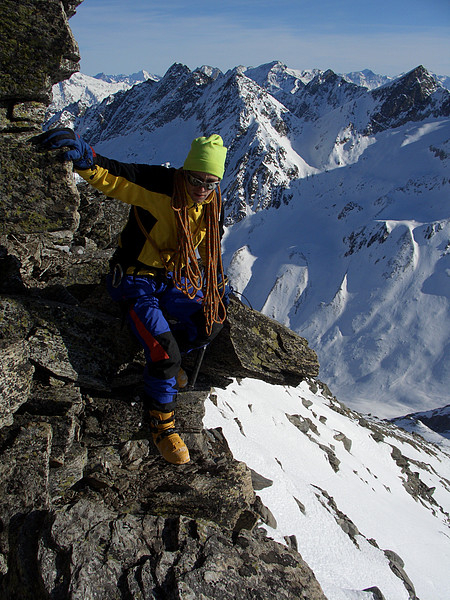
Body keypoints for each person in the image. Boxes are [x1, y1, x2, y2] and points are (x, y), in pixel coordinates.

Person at [35, 128, 230, 465]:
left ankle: (170, 366)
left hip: (173, 278)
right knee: (163, 353)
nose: (202, 189)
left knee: (209, 320)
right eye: (197, 179)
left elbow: (209, 249)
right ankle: (162, 422)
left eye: (210, 182)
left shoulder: (212, 205)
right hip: (134, 279)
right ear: (186, 171)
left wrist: (211, 285)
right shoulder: (160, 185)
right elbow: (115, 175)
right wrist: (85, 157)